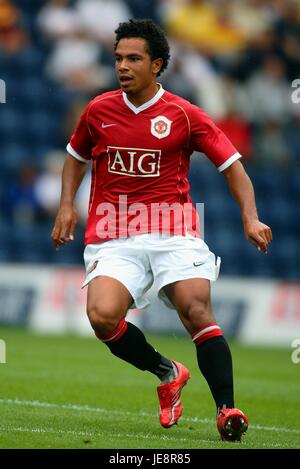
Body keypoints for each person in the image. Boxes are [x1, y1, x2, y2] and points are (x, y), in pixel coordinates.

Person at [51, 19, 272, 442]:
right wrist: (66, 205)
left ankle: (227, 409)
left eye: (133, 58)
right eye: (118, 58)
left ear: (157, 65)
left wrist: (250, 217)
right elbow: (75, 156)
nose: (123, 66)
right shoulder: (98, 110)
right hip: (114, 232)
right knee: (101, 317)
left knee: (196, 309)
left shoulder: (185, 115)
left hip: (172, 230)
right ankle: (168, 372)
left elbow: (233, 166)